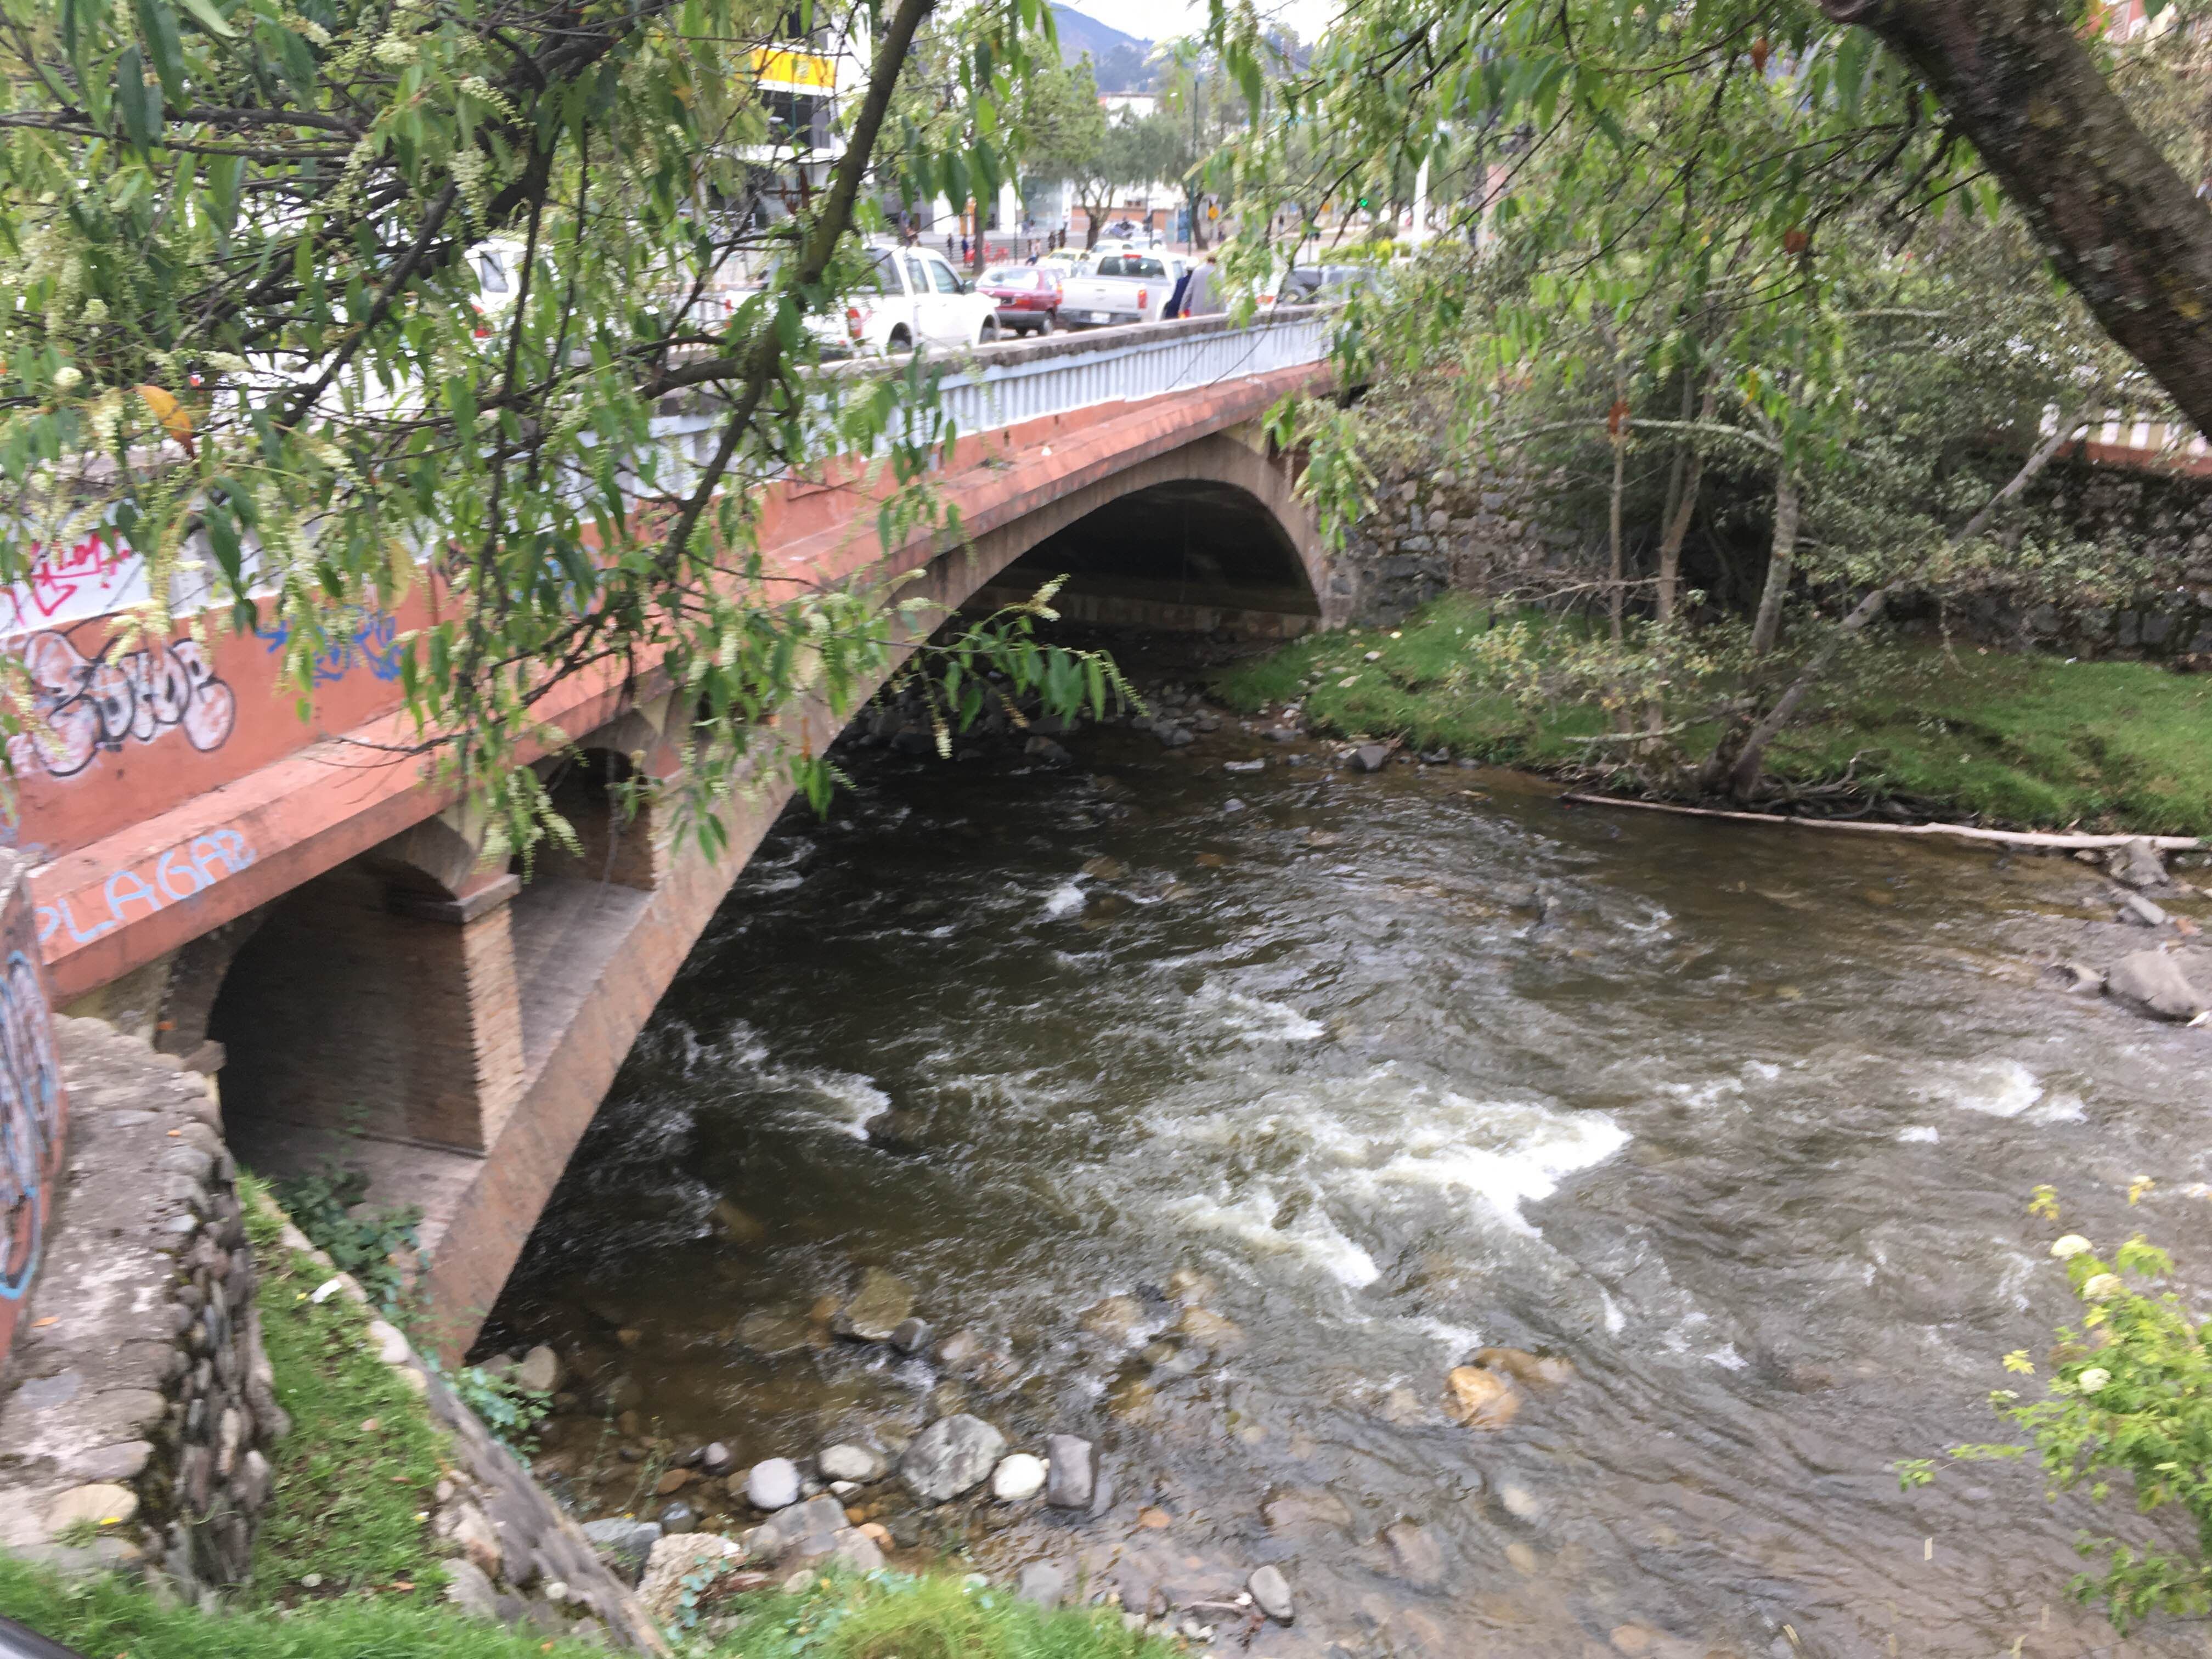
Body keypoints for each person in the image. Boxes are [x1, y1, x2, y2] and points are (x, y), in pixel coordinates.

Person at [1179, 252, 1222, 318]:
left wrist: (1182, 309)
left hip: (1196, 313)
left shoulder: (1197, 271)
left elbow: (1188, 293)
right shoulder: (1220, 274)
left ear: (1207, 260)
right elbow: (1222, 297)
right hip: (1213, 314)